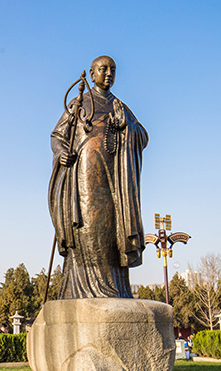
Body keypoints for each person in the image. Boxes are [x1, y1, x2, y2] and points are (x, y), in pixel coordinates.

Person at [49, 55, 148, 299]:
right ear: (92, 74)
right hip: (85, 177)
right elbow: (57, 136)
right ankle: (84, 289)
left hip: (115, 180)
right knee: (89, 226)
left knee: (113, 228)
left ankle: (116, 289)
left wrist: (128, 128)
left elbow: (143, 136)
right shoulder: (80, 102)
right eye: (102, 69)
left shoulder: (120, 107)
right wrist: (62, 153)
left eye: (112, 69)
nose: (108, 73)